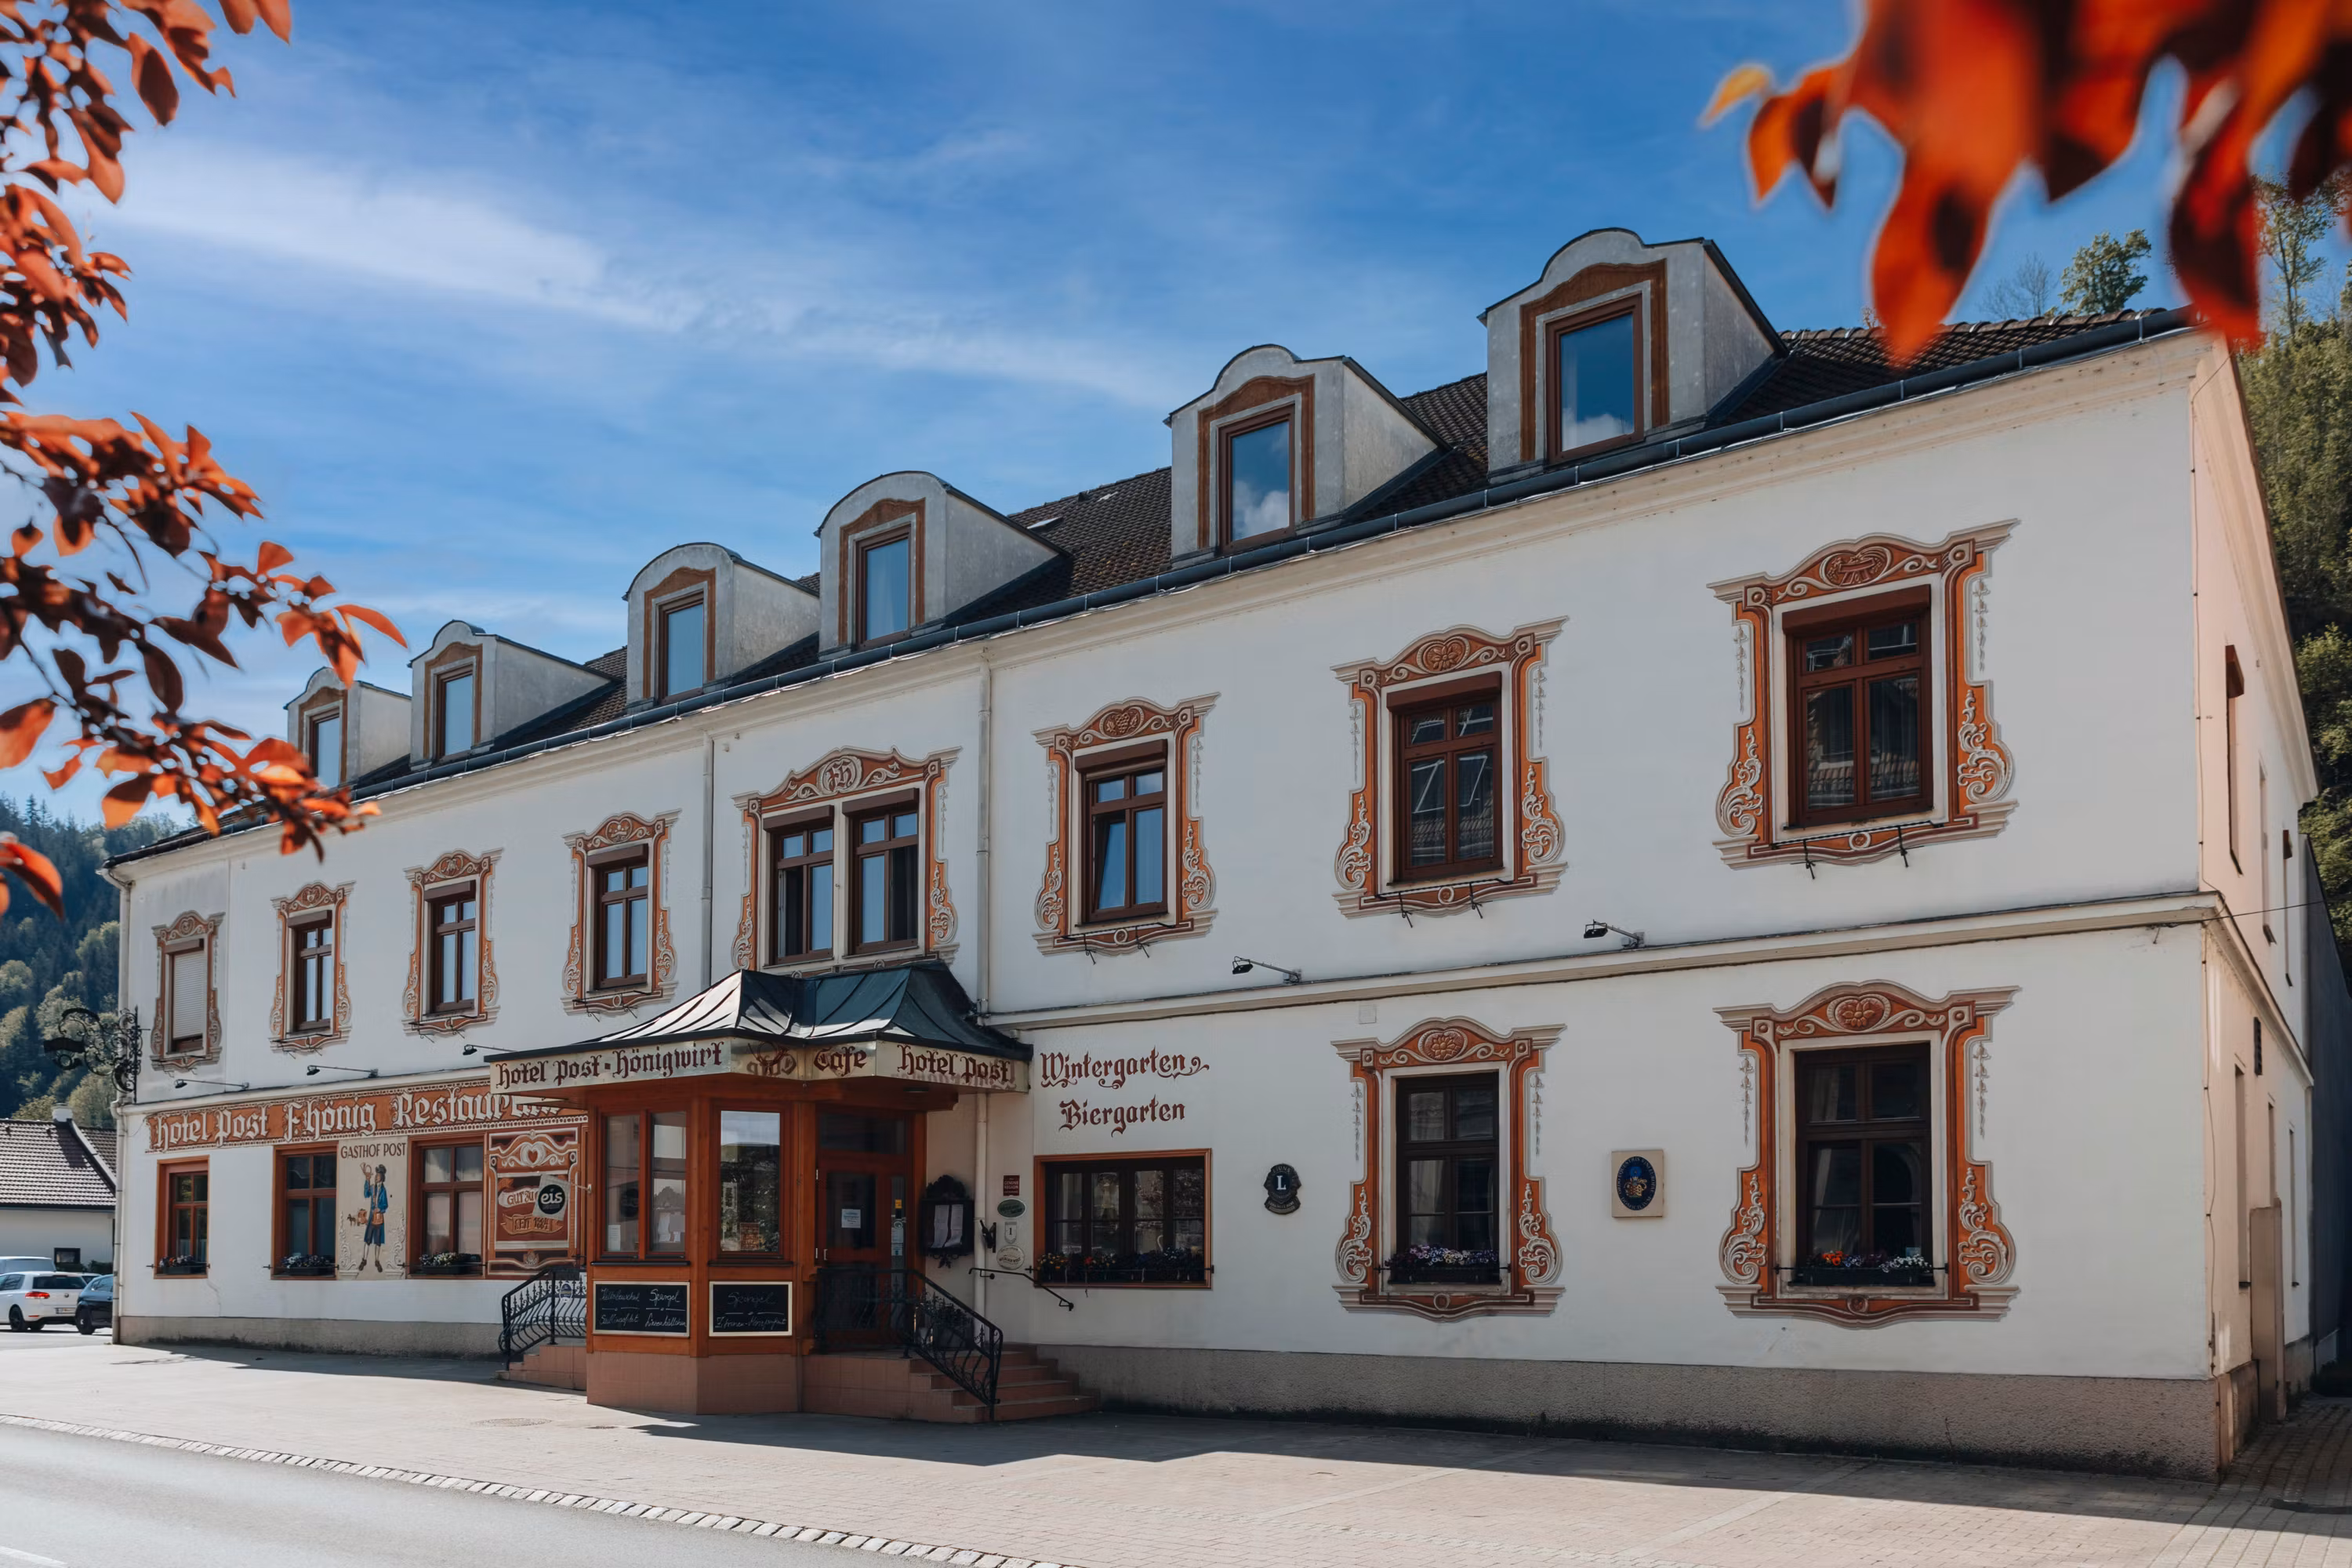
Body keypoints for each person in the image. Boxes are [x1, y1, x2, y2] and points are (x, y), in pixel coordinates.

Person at [347, 1163, 390, 1273]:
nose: (376, 1177)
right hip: (371, 1217)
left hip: (379, 1218)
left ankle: (377, 1260)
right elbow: (366, 1194)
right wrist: (367, 1180)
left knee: (378, 1241)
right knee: (368, 1239)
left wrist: (380, 1209)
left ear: (382, 1178)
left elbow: (385, 1205)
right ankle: (364, 1260)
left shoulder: (384, 1191)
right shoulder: (372, 1188)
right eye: (376, 1176)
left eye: (378, 1176)